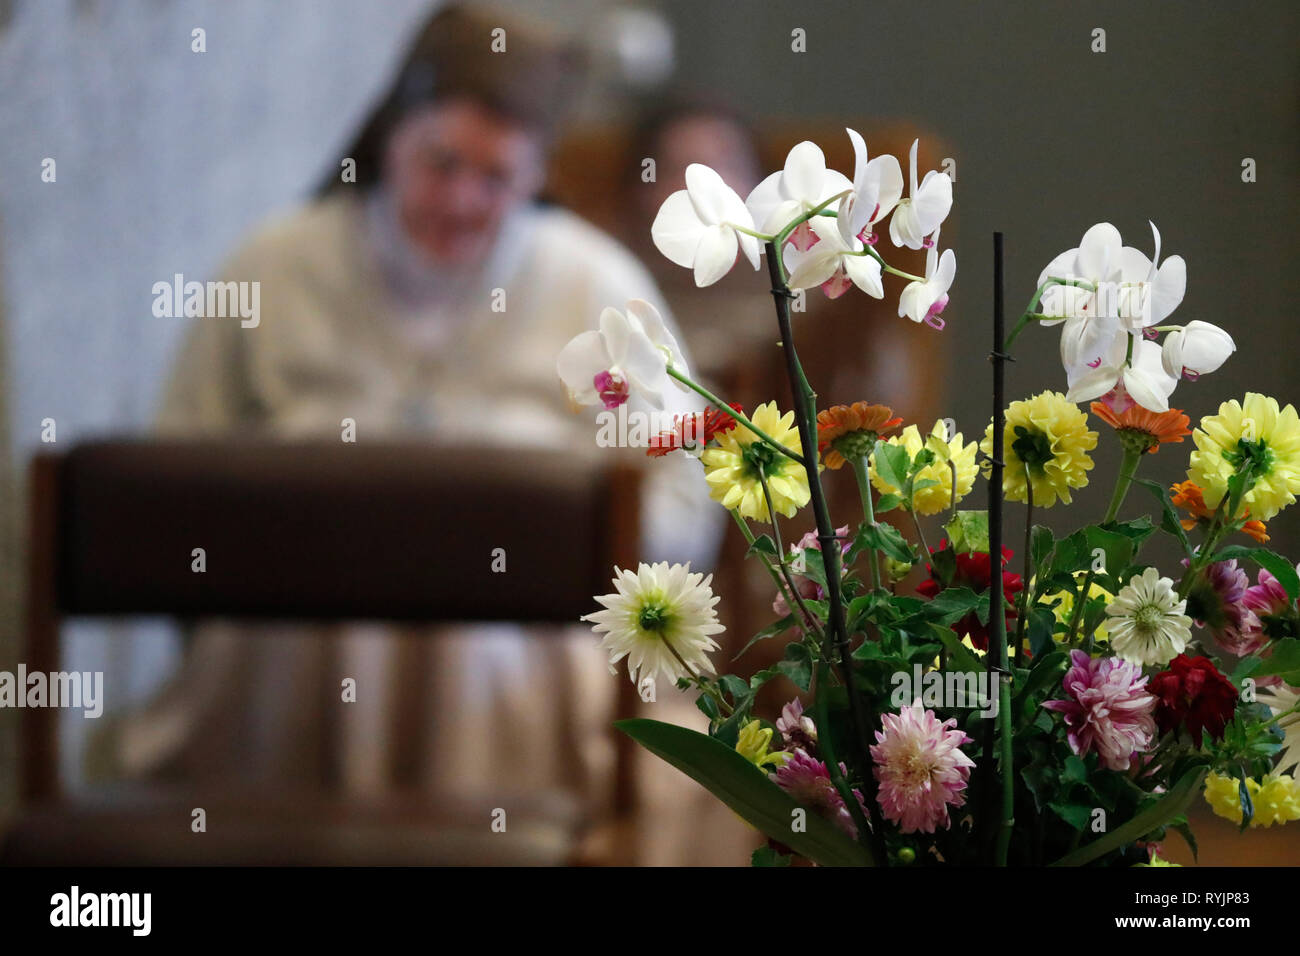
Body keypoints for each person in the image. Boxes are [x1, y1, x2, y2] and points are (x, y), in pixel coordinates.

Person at [99, 3, 753, 865]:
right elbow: (179, 474)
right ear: (387, 144)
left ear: (532, 178)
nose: (460, 199)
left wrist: (555, 544)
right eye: (439, 162)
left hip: (532, 653)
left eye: (495, 177)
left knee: (478, 649)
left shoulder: (591, 281)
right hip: (296, 642)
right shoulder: (275, 265)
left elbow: (683, 487)